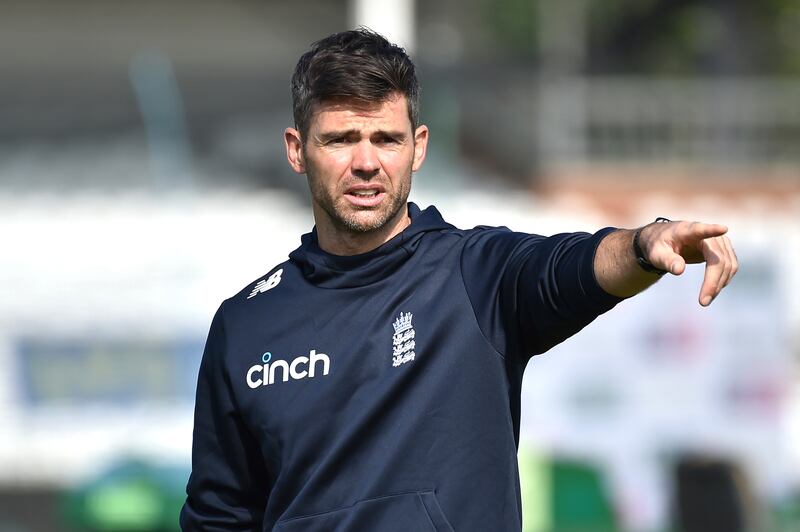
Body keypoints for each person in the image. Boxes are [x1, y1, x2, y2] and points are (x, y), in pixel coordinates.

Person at [180, 28, 738, 532]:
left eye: (387, 139)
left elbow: (572, 267)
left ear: (419, 146)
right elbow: (220, 517)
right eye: (342, 139)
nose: (367, 162)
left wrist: (644, 243)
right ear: (298, 151)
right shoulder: (247, 323)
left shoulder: (476, 273)